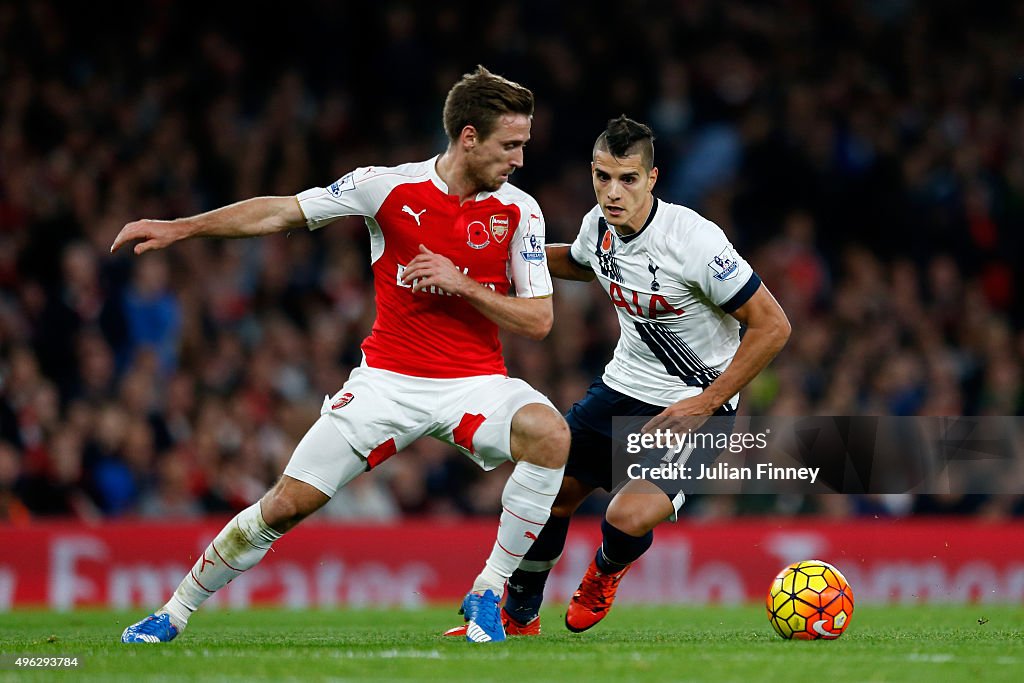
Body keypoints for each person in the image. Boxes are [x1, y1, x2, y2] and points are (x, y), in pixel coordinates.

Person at [115, 66, 569, 644]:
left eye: (524, 145)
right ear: (469, 137)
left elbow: (541, 320)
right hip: (385, 382)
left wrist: (464, 285)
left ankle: (486, 590)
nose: (520, 159)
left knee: (551, 436)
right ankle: (172, 613)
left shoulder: (520, 211)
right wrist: (183, 227)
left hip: (474, 383)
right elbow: (282, 211)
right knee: (285, 504)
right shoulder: (386, 187)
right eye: (511, 145)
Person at [447, 115, 790, 637]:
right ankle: (519, 616)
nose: (613, 191)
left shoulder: (695, 241)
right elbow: (585, 264)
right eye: (603, 177)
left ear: (652, 179)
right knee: (548, 493)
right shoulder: (597, 225)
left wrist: (704, 404)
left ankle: (605, 572)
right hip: (620, 389)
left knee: (626, 517)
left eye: (628, 179)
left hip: (696, 404)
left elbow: (772, 325)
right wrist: (499, 255)